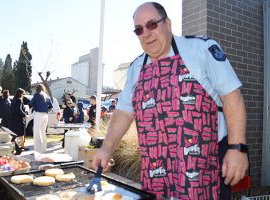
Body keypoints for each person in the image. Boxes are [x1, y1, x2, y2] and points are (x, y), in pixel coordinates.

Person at [92, 2, 248, 200]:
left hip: (203, 172)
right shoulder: (136, 68)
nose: (146, 33)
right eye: (139, 30)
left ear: (167, 24)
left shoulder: (201, 49)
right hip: (155, 174)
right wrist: (106, 148)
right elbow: (124, 112)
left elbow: (232, 97)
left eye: (152, 25)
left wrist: (237, 149)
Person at [30, 84, 53, 153]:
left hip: (39, 114)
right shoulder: (47, 96)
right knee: (43, 132)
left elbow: (31, 103)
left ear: (37, 89)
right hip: (45, 115)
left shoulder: (37, 95)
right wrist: (45, 110)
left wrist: (35, 107)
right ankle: (43, 149)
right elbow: (51, 106)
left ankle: (37, 150)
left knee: (37, 132)